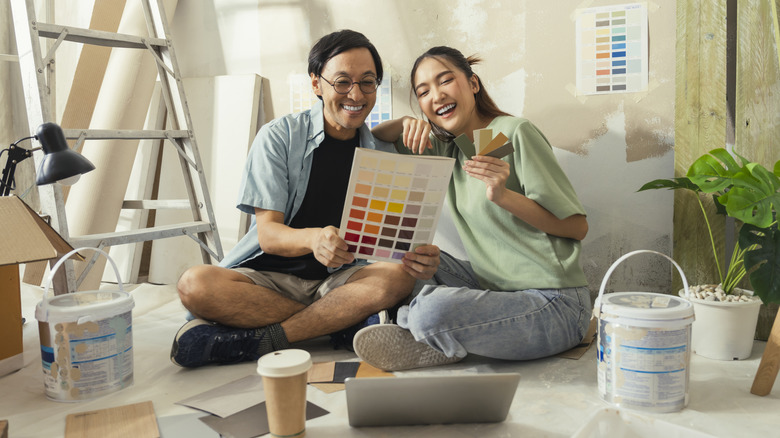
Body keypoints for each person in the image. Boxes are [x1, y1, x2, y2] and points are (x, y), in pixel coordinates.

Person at [170, 30, 440, 368]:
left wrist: (417, 257)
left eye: (367, 82)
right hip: (269, 280)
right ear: (316, 84)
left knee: (399, 275)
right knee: (196, 285)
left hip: (342, 281)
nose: (355, 94)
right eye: (342, 82)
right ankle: (345, 325)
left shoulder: (383, 150)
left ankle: (264, 340)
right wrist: (315, 239)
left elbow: (390, 240)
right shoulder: (279, 137)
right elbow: (268, 235)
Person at [353, 46, 592, 371]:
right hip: (493, 288)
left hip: (553, 302)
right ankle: (438, 334)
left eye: (445, 81)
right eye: (423, 92)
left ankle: (415, 324)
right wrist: (405, 123)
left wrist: (504, 196)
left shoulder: (513, 133)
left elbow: (577, 227)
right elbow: (371, 141)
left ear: (473, 84)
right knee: (413, 255)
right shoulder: (448, 147)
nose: (436, 96)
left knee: (432, 310)